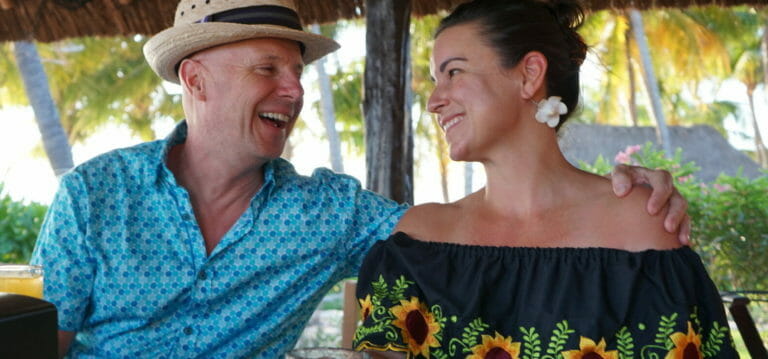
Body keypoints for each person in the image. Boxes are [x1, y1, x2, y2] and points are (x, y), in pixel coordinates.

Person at [30, 0, 690, 358]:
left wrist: (629, 192)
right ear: (195, 81)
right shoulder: (92, 198)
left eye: (296, 72)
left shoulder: (331, 212)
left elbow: (484, 232)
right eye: (269, 69)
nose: (294, 92)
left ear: (530, 75)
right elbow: (41, 345)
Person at [352, 0, 737, 358]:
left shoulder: (639, 224)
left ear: (530, 74)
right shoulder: (418, 241)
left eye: (453, 72)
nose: (435, 100)